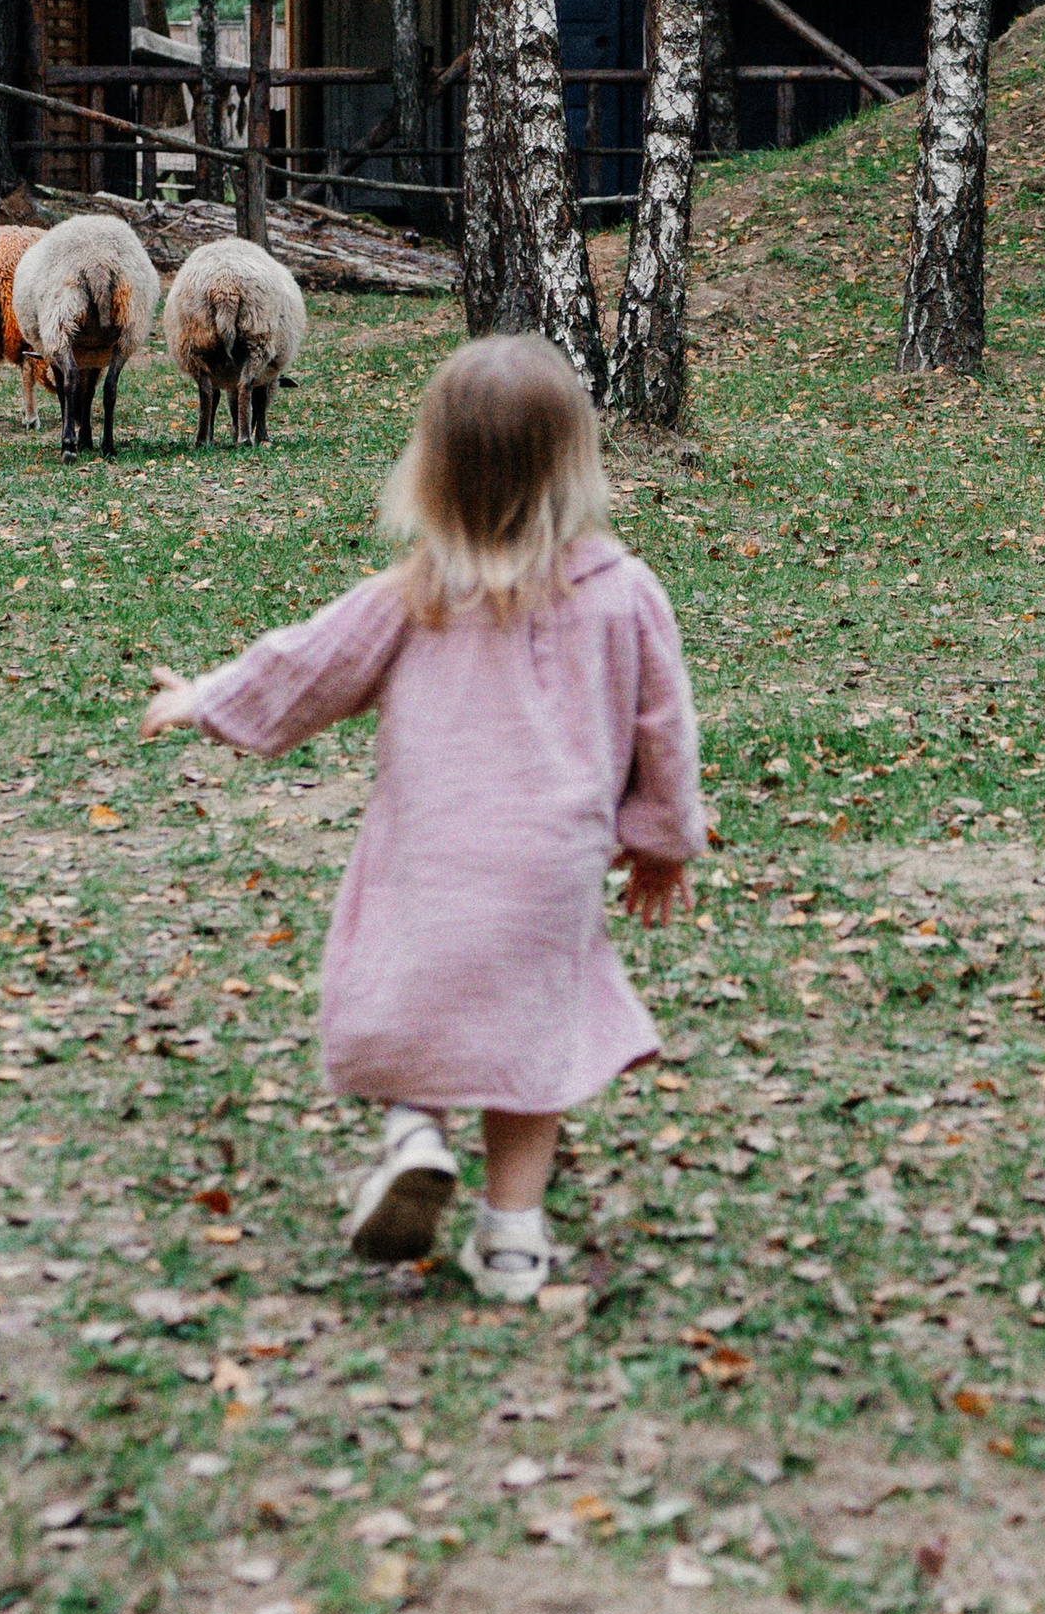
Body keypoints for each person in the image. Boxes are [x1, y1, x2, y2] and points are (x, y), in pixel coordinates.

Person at [139, 333, 705, 1302]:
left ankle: (413, 1133)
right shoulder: (627, 594)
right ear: (577, 461)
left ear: (432, 470)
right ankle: (513, 1240)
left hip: (430, 858)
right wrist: (661, 841)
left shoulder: (415, 595)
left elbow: (308, 666)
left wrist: (207, 698)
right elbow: (667, 729)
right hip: (552, 871)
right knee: (529, 1043)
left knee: (418, 993)